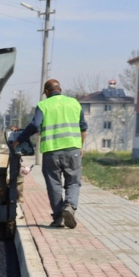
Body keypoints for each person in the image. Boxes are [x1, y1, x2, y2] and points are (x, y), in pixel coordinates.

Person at [11, 79, 87, 229]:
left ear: (46, 92)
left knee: (54, 185)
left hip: (51, 152)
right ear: (60, 89)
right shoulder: (74, 103)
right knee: (73, 181)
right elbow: (83, 128)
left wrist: (19, 139)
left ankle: (58, 218)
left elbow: (34, 124)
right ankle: (70, 207)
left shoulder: (43, 105)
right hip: (73, 150)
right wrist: (81, 146)